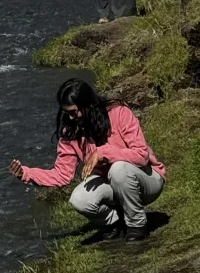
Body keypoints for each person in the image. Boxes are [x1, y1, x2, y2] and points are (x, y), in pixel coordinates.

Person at [9, 78, 165, 242]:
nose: (70, 118)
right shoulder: (71, 131)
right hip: (114, 186)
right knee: (79, 199)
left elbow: (141, 156)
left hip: (148, 179)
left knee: (118, 169)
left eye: (73, 112)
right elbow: (62, 175)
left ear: (87, 105)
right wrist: (26, 174)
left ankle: (137, 225)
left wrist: (101, 152)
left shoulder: (119, 113)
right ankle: (115, 222)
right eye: (66, 112)